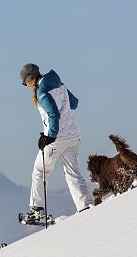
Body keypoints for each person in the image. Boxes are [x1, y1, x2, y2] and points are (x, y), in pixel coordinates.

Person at [19, 63, 91, 224]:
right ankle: (85, 206)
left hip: (56, 140)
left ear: (30, 78)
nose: (26, 86)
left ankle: (36, 210)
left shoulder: (41, 91)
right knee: (73, 173)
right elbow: (74, 103)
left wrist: (49, 137)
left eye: (25, 83)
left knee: (39, 171)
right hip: (73, 136)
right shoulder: (59, 84)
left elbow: (53, 113)